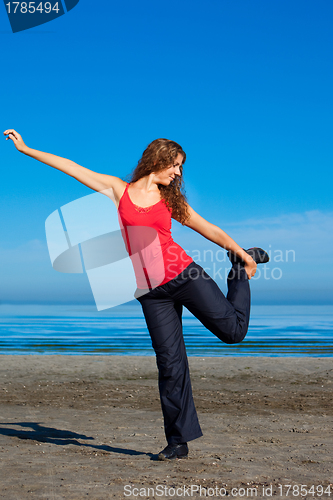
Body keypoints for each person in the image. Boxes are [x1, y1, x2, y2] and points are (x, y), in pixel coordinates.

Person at [3, 130, 269, 460]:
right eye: (175, 165)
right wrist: (27, 149)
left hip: (185, 275)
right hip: (151, 293)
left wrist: (239, 253)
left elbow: (207, 228)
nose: (178, 173)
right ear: (157, 160)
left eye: (181, 168)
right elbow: (72, 167)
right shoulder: (120, 191)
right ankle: (178, 441)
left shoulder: (171, 201)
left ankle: (239, 270)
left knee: (233, 332)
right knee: (170, 365)